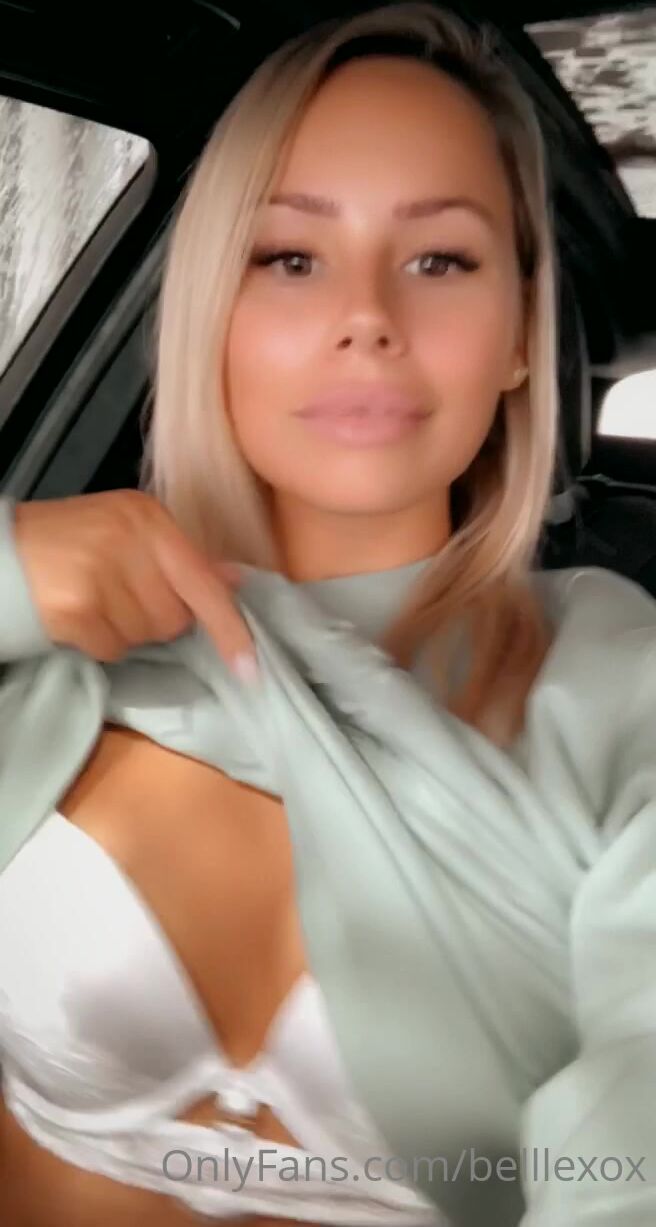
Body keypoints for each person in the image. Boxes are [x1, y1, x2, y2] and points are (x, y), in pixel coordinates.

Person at [1, 3, 655, 1225]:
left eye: (440, 260)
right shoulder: (52, 630)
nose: (368, 315)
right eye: (291, 258)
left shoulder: (624, 687)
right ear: (212, 309)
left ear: (519, 338)